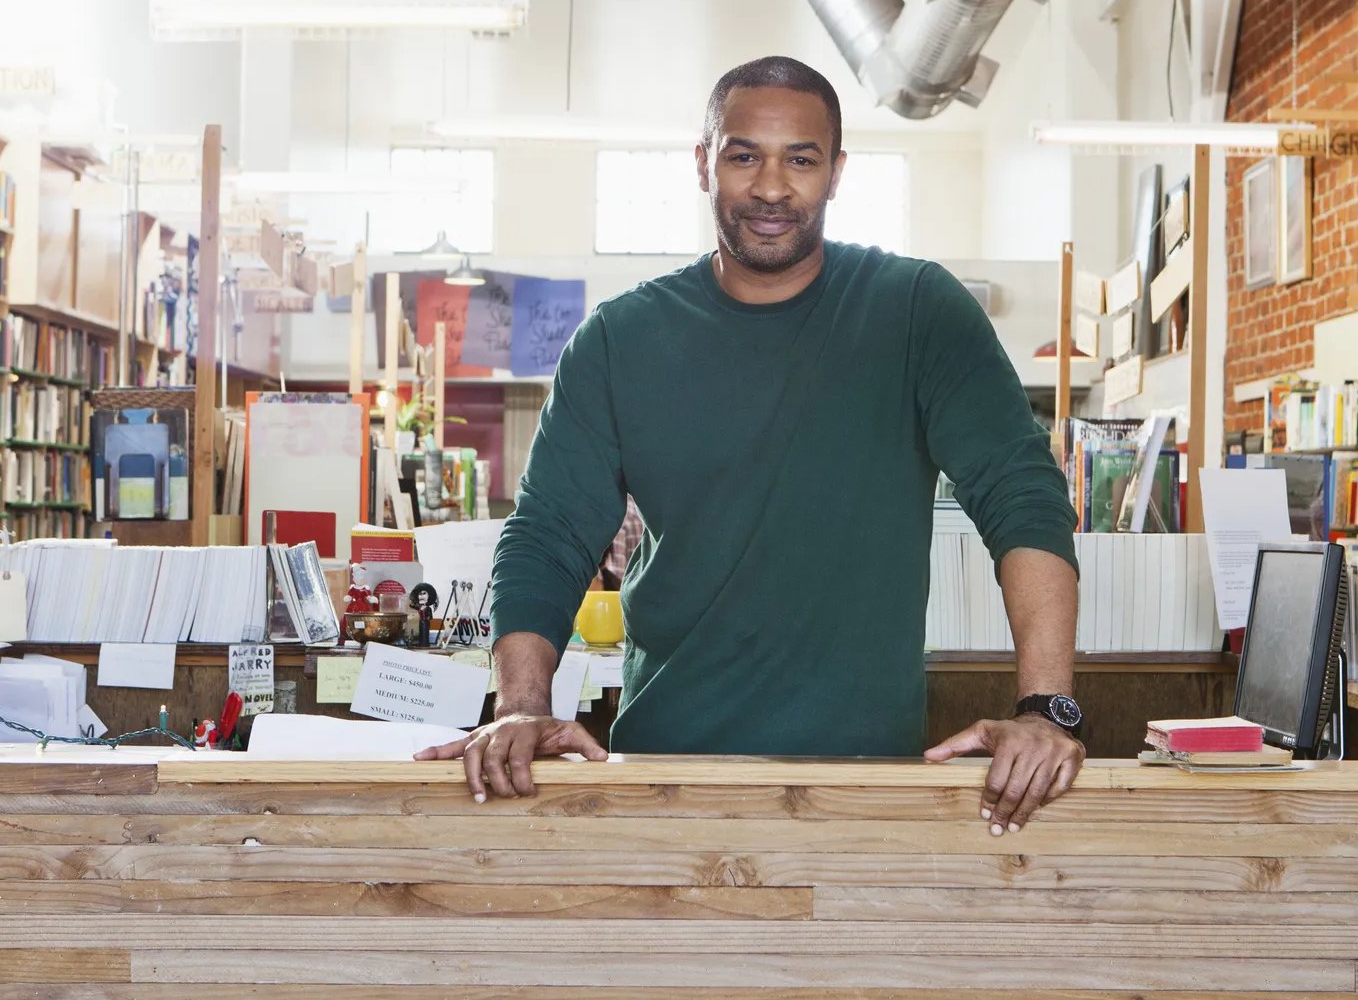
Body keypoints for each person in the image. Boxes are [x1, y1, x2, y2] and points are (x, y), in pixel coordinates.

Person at [417, 55, 1083, 834]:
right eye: (744, 156)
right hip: (665, 776)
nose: (771, 187)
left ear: (836, 172)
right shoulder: (619, 340)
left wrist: (1046, 710)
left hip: (866, 785)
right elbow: (549, 533)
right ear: (704, 163)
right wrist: (520, 707)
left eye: (800, 159)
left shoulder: (915, 311)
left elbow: (1021, 495)